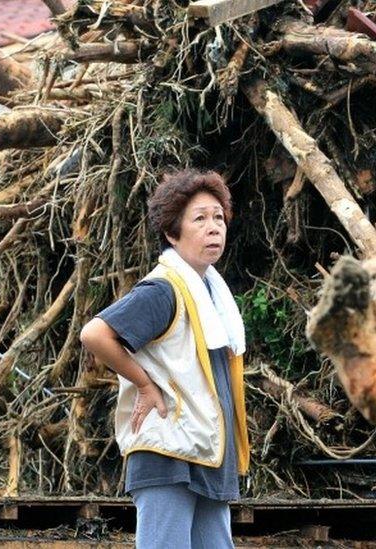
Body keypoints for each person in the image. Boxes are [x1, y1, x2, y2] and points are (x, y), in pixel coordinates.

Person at [80, 169, 249, 549]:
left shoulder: (212, 293)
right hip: (168, 451)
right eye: (200, 218)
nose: (214, 228)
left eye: (219, 217)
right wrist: (144, 383)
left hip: (206, 451)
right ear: (173, 233)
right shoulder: (164, 289)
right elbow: (95, 334)